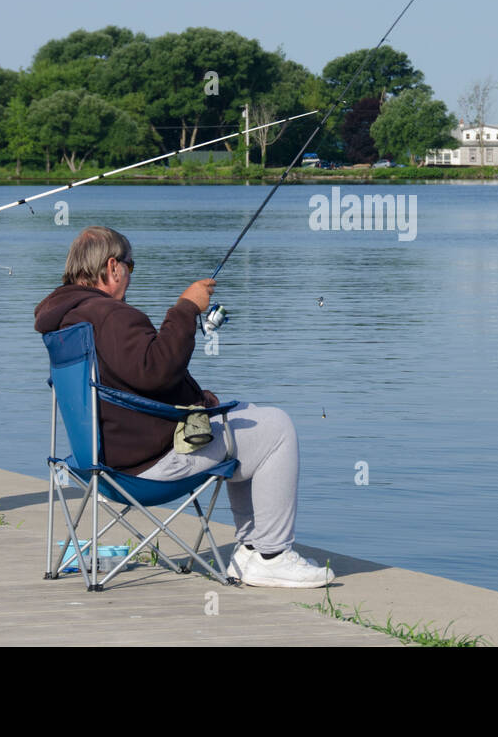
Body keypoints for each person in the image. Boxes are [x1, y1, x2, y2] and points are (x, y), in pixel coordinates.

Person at [34, 225, 333, 588]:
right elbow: (156, 371)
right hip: (145, 467)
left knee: (249, 419)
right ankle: (270, 555)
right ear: (113, 267)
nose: (130, 274)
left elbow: (127, 384)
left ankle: (253, 551)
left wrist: (197, 400)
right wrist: (185, 308)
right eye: (131, 265)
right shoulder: (111, 316)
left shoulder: (67, 320)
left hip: (98, 461)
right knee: (275, 427)